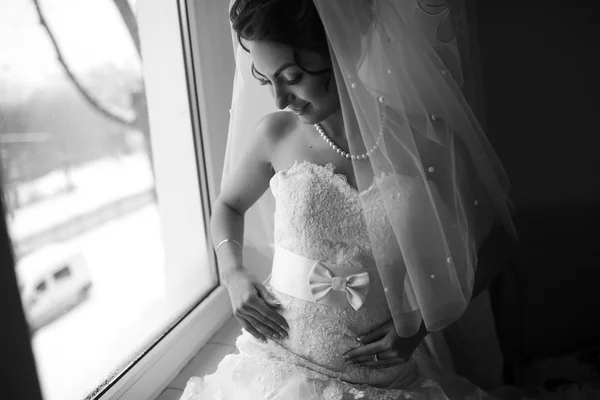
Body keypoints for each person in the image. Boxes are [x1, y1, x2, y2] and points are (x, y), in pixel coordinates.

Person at [180, 0, 518, 399]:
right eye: (265, 80)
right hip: (278, 368)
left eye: (291, 76)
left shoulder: (428, 143)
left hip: (383, 381)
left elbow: (497, 242)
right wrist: (232, 273)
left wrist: (422, 325)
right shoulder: (275, 135)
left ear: (343, 49)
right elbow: (228, 206)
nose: (279, 98)